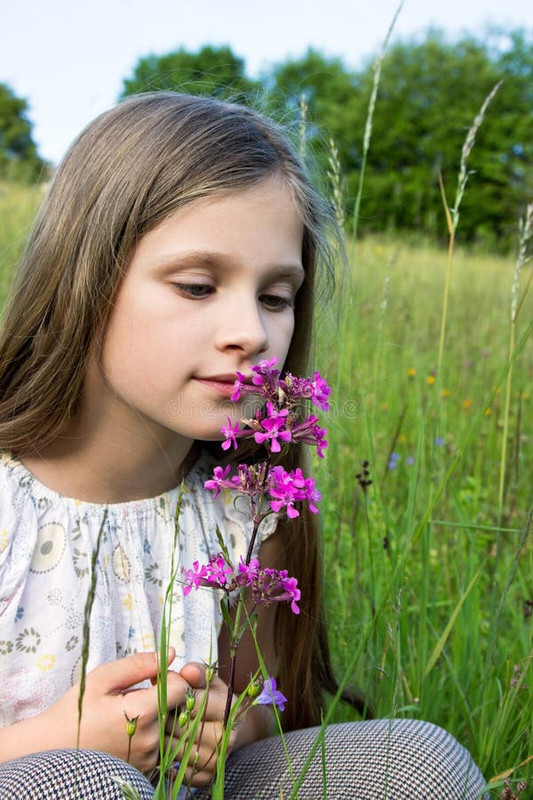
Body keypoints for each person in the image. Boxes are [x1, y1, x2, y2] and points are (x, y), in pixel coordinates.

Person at [0, 92, 487, 799]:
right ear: (85, 278)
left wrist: (233, 727)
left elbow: (263, 702)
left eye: (275, 296)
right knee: (86, 783)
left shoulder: (242, 511)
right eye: (198, 286)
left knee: (415, 763)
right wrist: (54, 743)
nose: (251, 334)